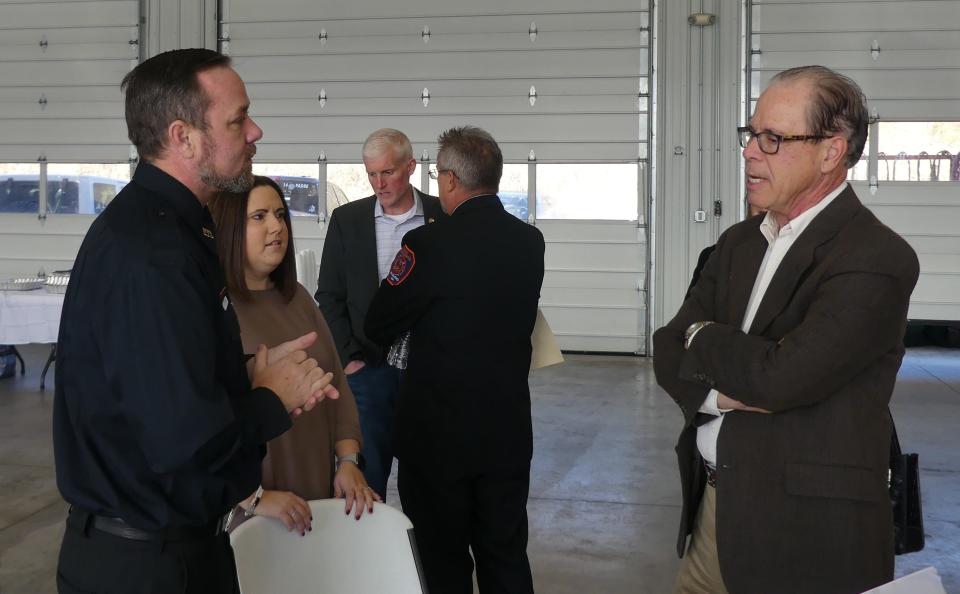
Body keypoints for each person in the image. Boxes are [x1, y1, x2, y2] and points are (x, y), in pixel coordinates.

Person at [53, 49, 338, 594]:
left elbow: (167, 391)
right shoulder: (154, 253)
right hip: (147, 566)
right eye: (237, 119)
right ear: (183, 137)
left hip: (172, 551)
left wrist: (245, 376)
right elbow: (184, 443)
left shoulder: (178, 232)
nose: (256, 131)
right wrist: (269, 400)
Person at [653, 65, 920, 594]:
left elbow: (783, 380)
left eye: (773, 138)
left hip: (804, 535)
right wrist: (732, 386)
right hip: (712, 515)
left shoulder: (875, 257)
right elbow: (666, 350)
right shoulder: (737, 242)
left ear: (831, 152)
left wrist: (703, 339)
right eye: (751, 134)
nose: (750, 151)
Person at [365, 126, 545, 594]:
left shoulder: (429, 245)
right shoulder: (530, 243)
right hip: (505, 434)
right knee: (505, 554)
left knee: (443, 562)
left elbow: (379, 321)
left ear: (448, 180)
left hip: (438, 440)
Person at [209, 176, 379, 533]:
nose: (276, 227)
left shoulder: (298, 297)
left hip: (314, 487)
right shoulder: (215, 309)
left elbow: (337, 386)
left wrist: (348, 460)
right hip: (254, 508)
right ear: (230, 228)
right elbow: (200, 425)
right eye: (259, 217)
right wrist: (253, 498)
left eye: (280, 214)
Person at [315, 128, 445, 498]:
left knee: (428, 478)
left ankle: (422, 553)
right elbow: (329, 296)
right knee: (367, 479)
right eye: (371, 173)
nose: (378, 183)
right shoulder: (347, 220)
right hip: (367, 371)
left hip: (427, 371)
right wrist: (349, 360)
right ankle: (367, 552)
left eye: (387, 172)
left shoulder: (442, 216)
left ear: (411, 167)